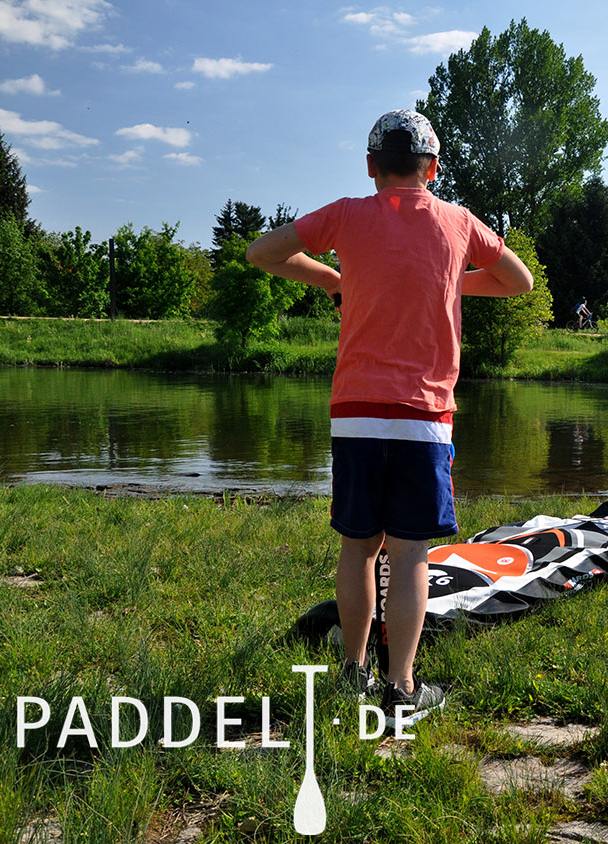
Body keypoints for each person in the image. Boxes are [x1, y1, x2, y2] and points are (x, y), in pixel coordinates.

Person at [247, 109, 533, 724]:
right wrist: (451, 280)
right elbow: (520, 282)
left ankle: (352, 671)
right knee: (410, 556)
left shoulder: (348, 214)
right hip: (424, 418)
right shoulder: (457, 222)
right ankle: (400, 689)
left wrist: (334, 279)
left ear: (372, 167)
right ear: (432, 168)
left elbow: (263, 252)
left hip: (354, 413)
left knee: (358, 548)